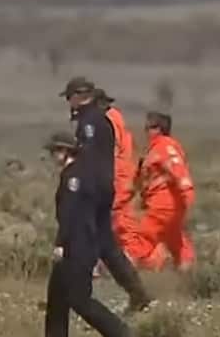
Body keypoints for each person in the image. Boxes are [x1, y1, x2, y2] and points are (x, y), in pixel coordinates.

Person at [60, 77, 153, 312]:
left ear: (80, 95)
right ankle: (137, 293)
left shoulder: (91, 122)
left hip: (93, 189)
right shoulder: (103, 119)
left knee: (83, 237)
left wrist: (80, 185)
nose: (69, 103)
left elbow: (90, 159)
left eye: (70, 97)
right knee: (106, 245)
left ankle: (77, 295)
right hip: (104, 187)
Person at [43, 131, 130, 337]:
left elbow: (70, 215)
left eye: (55, 151)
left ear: (64, 151)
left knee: (79, 299)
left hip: (77, 245)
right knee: (57, 296)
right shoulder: (82, 174)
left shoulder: (73, 177)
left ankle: (120, 333)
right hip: (82, 242)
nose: (52, 157)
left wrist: (61, 244)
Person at [127, 111, 196, 271]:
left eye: (148, 127)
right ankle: (186, 276)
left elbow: (177, 168)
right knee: (175, 241)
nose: (145, 132)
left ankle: (128, 275)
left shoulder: (165, 147)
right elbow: (142, 180)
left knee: (143, 238)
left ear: (158, 129)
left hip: (164, 204)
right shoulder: (153, 150)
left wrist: (187, 191)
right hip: (164, 204)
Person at [94, 87, 141, 257]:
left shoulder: (108, 121)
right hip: (123, 176)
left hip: (118, 178)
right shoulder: (115, 118)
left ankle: (131, 260)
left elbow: (111, 151)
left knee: (118, 222)